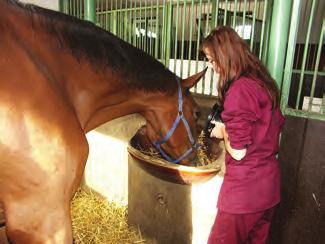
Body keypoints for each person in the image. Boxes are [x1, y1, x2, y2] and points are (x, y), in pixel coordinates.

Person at [202, 26, 285, 244]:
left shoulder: (239, 90)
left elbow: (238, 152)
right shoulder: (264, 84)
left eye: (211, 60)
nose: (211, 66)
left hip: (243, 195)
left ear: (224, 56)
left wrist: (223, 130)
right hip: (269, 190)